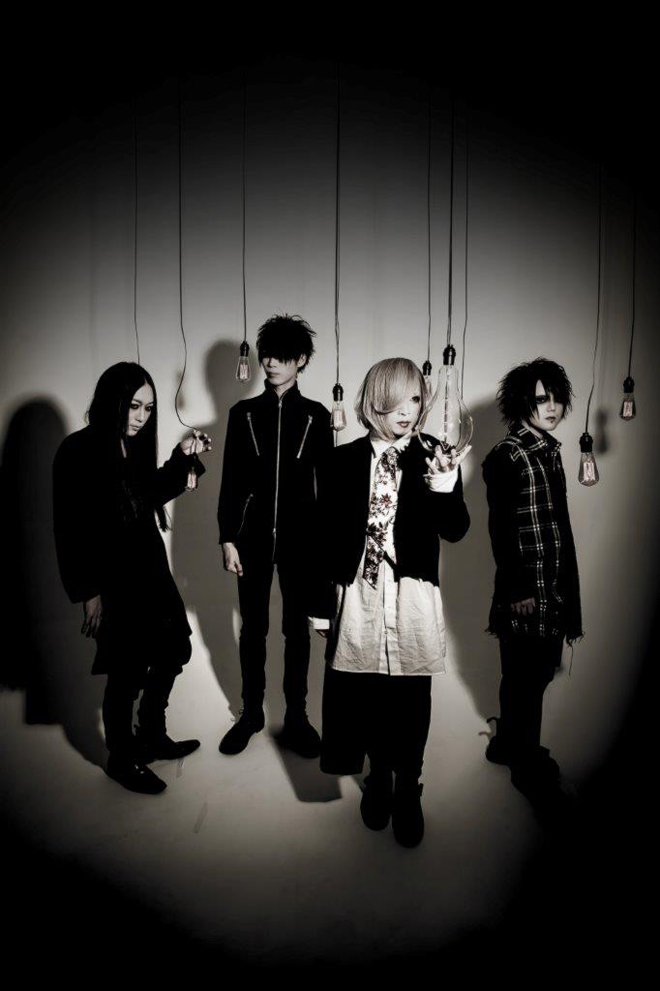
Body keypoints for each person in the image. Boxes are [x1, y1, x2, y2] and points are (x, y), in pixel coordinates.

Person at [310, 358, 470, 847]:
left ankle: (409, 786)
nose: (407, 411)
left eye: (416, 400)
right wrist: (319, 607)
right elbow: (321, 537)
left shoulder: (435, 454)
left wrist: (443, 483)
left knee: (411, 697)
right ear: (375, 401)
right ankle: (378, 777)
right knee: (368, 693)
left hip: (412, 593)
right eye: (396, 401)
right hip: (357, 592)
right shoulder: (340, 461)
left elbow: (456, 529)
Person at [53, 362, 211, 795]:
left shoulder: (134, 445)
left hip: (150, 570)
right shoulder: (76, 450)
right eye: (134, 406)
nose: (141, 416)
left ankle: (152, 734)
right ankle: (122, 757)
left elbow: (149, 494)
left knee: (173, 649)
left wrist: (183, 456)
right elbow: (69, 529)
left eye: (149, 408)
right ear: (113, 401)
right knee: (125, 672)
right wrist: (89, 592)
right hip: (113, 580)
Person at [217, 314, 333, 757]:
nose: (270, 363)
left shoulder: (317, 416)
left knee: (296, 631)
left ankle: (297, 718)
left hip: (302, 542)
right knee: (253, 629)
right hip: (251, 538)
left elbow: (326, 490)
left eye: (282, 356)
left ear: (300, 360)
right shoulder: (242, 414)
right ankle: (251, 713)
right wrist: (228, 536)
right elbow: (231, 479)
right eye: (267, 355)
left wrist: (324, 548)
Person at [482, 357, 582, 800]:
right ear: (522, 402)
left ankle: (508, 744)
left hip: (552, 586)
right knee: (526, 677)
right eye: (541, 399)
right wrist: (516, 589)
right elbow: (501, 529)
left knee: (532, 674)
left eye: (557, 398)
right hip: (526, 590)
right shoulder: (507, 455)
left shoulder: (548, 451)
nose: (552, 407)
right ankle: (524, 762)